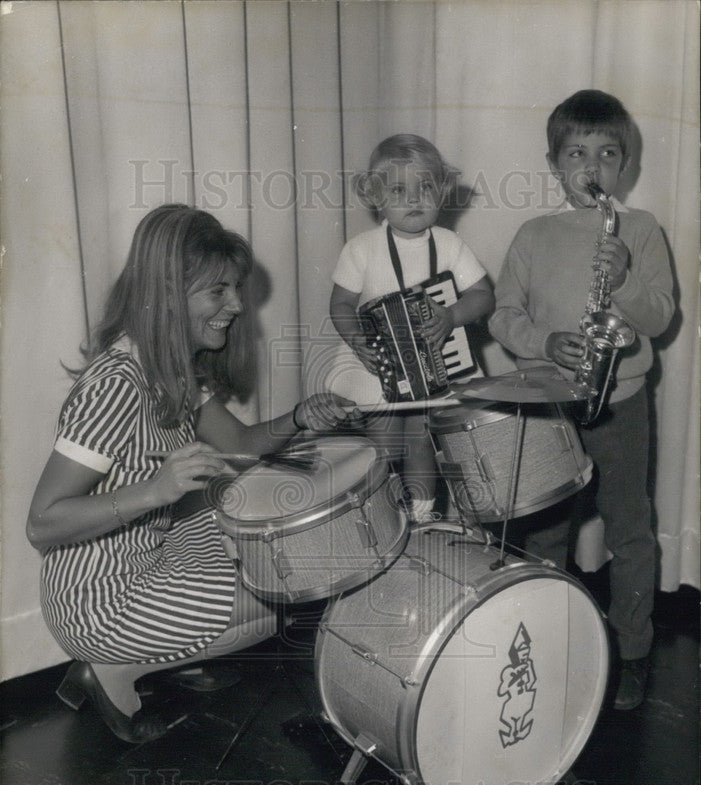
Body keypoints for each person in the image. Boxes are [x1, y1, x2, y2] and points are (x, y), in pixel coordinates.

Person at [26, 203, 359, 743]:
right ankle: (112, 665)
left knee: (271, 545)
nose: (235, 304)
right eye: (217, 292)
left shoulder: (173, 368)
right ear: (166, 296)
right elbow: (42, 523)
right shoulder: (116, 383)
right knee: (286, 596)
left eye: (235, 288)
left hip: (142, 551)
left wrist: (302, 415)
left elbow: (243, 445)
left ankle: (165, 649)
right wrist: (156, 489)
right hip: (97, 595)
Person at [489, 90, 674, 710]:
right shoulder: (533, 234)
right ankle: (543, 645)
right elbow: (502, 316)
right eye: (576, 153)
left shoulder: (642, 229)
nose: (591, 168)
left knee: (631, 531)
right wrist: (544, 342)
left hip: (621, 403)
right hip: (550, 405)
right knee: (545, 535)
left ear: (625, 167)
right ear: (553, 163)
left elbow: (659, 318)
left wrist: (623, 281)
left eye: (607, 154)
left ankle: (633, 651)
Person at [329, 133, 494, 523]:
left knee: (421, 439)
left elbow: (483, 296)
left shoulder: (450, 244)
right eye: (399, 189)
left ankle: (423, 519)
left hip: (434, 363)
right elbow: (340, 304)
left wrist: (453, 316)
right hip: (378, 368)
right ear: (375, 196)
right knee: (383, 445)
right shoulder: (361, 248)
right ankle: (386, 521)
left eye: (426, 188)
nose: (415, 199)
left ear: (441, 192)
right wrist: (356, 339)